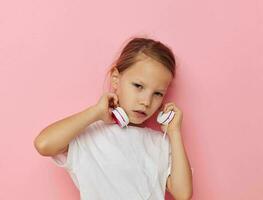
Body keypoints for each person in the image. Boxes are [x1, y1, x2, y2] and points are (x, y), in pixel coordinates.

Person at [34, 36, 193, 200]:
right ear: (116, 80)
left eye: (158, 93)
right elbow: (43, 144)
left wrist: (174, 133)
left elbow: (183, 194)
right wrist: (95, 112)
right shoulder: (89, 136)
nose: (146, 101)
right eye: (138, 86)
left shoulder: (161, 143)